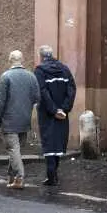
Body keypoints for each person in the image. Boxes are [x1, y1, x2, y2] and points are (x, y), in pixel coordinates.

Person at [0, 50, 40, 190]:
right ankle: (12, 177)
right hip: (24, 119)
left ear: (9, 60)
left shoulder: (6, 77)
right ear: (22, 60)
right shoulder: (31, 76)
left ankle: (19, 178)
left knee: (13, 149)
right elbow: (37, 97)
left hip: (9, 120)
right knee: (16, 150)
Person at [34, 45, 76, 186]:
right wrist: (64, 109)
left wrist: (53, 110)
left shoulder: (40, 71)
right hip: (62, 114)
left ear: (41, 56)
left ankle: (51, 175)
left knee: (49, 143)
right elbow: (71, 89)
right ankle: (53, 174)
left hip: (47, 113)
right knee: (58, 142)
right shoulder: (64, 69)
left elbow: (42, 91)